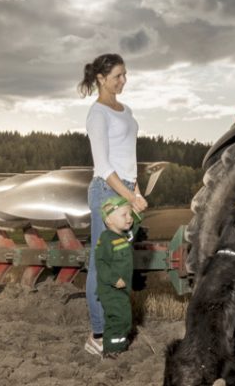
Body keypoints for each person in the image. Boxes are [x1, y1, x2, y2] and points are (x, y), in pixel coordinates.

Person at [77, 53, 148, 356]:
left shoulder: (125, 109)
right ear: (100, 79)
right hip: (108, 193)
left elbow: (127, 156)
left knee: (120, 263)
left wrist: (136, 189)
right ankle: (97, 333)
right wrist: (129, 195)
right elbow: (104, 165)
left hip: (125, 189)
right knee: (101, 264)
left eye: (125, 74)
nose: (123, 81)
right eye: (117, 76)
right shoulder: (98, 114)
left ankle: (115, 327)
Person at [94, 196, 142, 357]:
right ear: (109, 220)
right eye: (124, 215)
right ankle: (111, 350)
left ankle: (120, 345)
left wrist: (136, 211)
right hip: (110, 289)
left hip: (122, 289)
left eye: (129, 215)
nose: (129, 219)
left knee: (125, 318)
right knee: (118, 318)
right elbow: (101, 264)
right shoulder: (106, 239)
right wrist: (114, 279)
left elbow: (135, 227)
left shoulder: (123, 236)